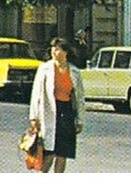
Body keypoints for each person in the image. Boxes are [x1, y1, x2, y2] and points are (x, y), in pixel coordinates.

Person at [29, 38, 85, 173]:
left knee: (62, 153)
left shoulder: (74, 72)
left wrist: (80, 120)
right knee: (49, 152)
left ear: (65, 52)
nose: (54, 51)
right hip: (49, 112)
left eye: (58, 48)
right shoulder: (45, 69)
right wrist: (33, 118)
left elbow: (80, 98)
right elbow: (36, 94)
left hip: (66, 113)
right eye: (53, 48)